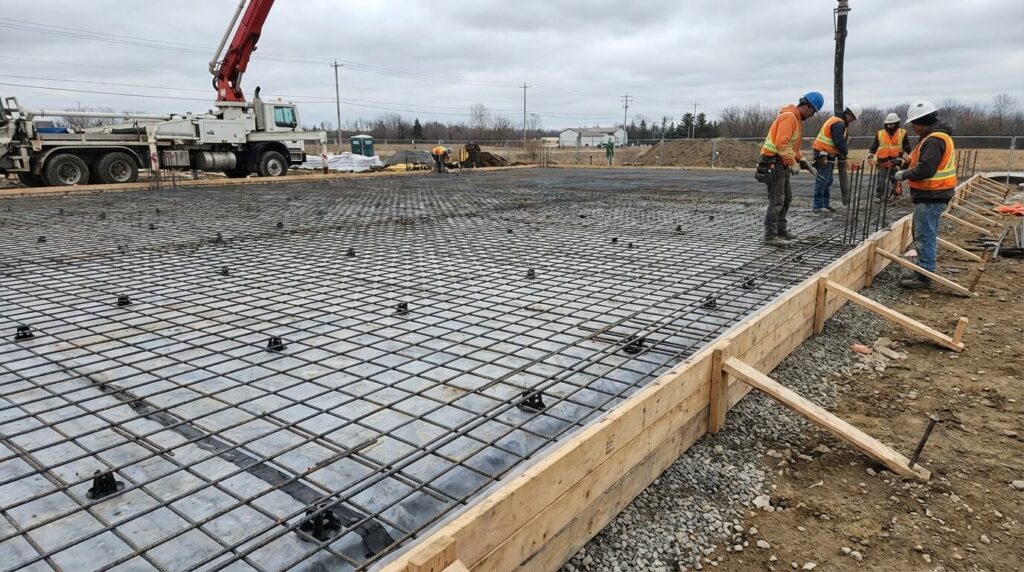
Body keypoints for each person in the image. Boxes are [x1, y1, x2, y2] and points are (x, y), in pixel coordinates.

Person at [892, 100, 957, 289]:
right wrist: (902, 161)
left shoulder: (935, 139)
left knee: (924, 235)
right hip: (931, 195)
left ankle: (924, 276)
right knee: (922, 233)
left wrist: (903, 175)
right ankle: (923, 270)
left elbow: (926, 169)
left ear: (924, 121)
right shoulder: (931, 137)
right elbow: (916, 160)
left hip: (932, 195)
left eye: (914, 123)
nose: (912, 127)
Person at [758, 91, 821, 246]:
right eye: (813, 111)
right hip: (773, 161)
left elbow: (792, 147)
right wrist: (792, 162)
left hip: (781, 162)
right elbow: (781, 143)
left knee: (787, 198)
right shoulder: (789, 117)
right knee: (777, 199)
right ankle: (770, 235)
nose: (812, 115)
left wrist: (801, 159)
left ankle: (781, 230)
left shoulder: (796, 120)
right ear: (806, 106)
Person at [810, 104, 862, 213]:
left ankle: (825, 204)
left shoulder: (840, 122)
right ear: (849, 114)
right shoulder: (838, 123)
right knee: (822, 180)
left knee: (828, 180)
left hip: (828, 154)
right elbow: (838, 141)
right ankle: (818, 206)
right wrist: (844, 152)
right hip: (823, 153)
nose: (852, 121)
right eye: (853, 118)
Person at [866, 113, 912, 200]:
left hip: (896, 160)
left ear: (896, 123)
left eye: (892, 124)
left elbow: (906, 146)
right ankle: (880, 196)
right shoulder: (880, 133)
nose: (890, 126)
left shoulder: (902, 133)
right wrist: (871, 154)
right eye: (888, 124)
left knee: (896, 178)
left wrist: (906, 155)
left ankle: (896, 195)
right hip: (882, 160)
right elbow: (875, 145)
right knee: (881, 179)